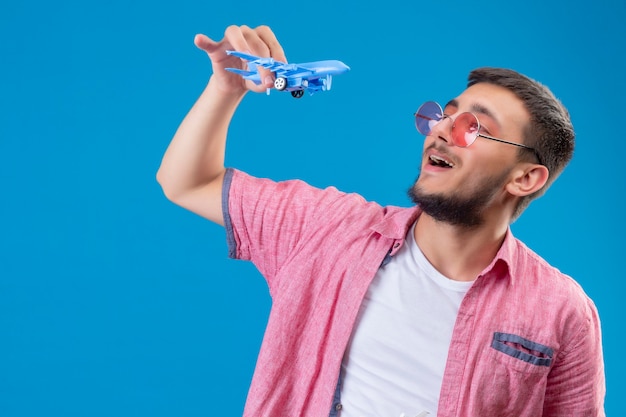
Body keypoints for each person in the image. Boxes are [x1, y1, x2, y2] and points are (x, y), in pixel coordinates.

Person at [156, 24, 606, 417]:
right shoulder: (327, 228)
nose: (441, 129)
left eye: (473, 126)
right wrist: (225, 88)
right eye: (444, 115)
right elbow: (185, 182)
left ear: (526, 178)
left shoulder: (561, 311)